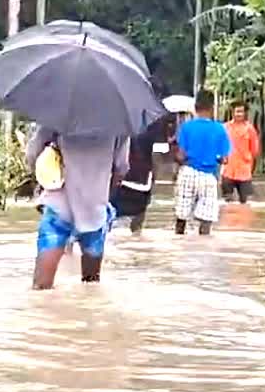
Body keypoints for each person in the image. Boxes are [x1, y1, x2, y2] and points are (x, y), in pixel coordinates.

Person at [25, 125, 129, 289]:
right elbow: (121, 169)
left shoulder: (56, 116)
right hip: (94, 210)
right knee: (91, 288)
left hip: (58, 208)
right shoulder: (118, 124)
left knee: (41, 289)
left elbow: (33, 157)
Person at [173, 96, 231, 235]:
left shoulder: (187, 127)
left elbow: (180, 155)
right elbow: (224, 159)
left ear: (195, 108)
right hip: (208, 176)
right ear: (212, 107)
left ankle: (180, 240)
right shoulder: (219, 129)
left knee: (182, 214)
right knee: (207, 218)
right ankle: (203, 247)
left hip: (187, 172)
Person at [111, 114, 176, 234]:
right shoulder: (154, 120)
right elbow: (158, 154)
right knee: (137, 224)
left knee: (112, 221)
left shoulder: (115, 118)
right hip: (142, 180)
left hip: (119, 180)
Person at [220, 103, 261, 204]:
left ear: (245, 113)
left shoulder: (250, 129)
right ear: (232, 112)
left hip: (244, 171)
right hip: (228, 171)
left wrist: (251, 167)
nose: (239, 114)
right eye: (237, 111)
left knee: (245, 202)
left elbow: (255, 151)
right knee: (228, 202)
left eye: (241, 112)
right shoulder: (225, 128)